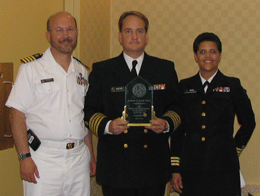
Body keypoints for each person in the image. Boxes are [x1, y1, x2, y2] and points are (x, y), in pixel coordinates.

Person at [84, 11, 182, 196]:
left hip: (153, 165)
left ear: (147, 36)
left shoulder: (164, 68)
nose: (134, 36)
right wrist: (108, 126)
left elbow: (177, 107)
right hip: (116, 166)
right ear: (120, 37)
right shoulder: (102, 70)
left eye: (140, 31)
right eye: (128, 31)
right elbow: (89, 111)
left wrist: (166, 123)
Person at [6, 12, 96, 196]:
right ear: (48, 35)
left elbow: (83, 117)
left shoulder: (82, 71)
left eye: (70, 29)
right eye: (59, 30)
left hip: (78, 158)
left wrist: (91, 155)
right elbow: (16, 114)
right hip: (43, 159)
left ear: (76, 33)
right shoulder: (31, 69)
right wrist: (24, 157)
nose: (65, 35)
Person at [170, 32, 256, 196]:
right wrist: (175, 168)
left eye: (213, 51)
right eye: (202, 52)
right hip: (191, 168)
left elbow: (249, 123)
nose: (208, 56)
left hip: (224, 167)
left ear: (220, 55)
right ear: (195, 56)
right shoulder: (185, 86)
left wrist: (233, 149)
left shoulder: (232, 85)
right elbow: (178, 131)